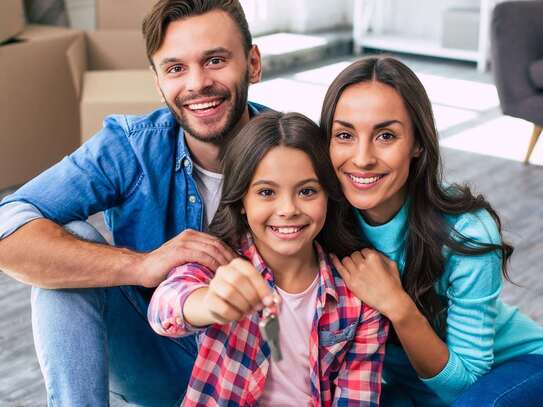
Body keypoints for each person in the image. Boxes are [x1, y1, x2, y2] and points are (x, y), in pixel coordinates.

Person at [0, 0, 267, 405]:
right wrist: (140, 265)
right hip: (161, 360)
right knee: (70, 246)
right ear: (158, 82)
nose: (197, 83)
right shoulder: (131, 146)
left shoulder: (296, 152)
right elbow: (8, 227)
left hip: (260, 372)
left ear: (252, 63)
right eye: (176, 68)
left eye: (214, 60)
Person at [320, 55, 543, 406]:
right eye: (345, 135)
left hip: (509, 372)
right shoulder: (321, 219)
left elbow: (465, 384)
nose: (362, 158)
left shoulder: (467, 230)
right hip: (409, 387)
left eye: (386, 135)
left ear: (417, 144)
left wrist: (397, 305)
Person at [148, 111, 389, 406]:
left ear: (329, 196)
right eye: (266, 192)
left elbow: (358, 398)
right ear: (241, 202)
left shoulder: (357, 295)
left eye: (307, 191)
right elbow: (165, 308)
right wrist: (209, 303)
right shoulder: (219, 265)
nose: (288, 209)